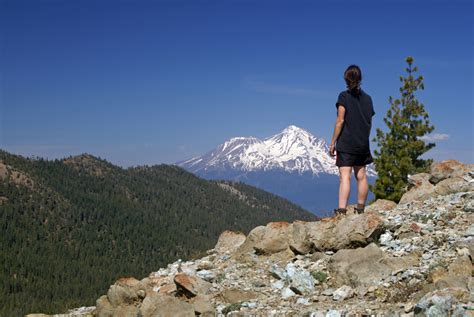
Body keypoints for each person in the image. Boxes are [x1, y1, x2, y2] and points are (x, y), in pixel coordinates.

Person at [329, 65, 375, 216]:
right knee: (361, 176)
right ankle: (360, 209)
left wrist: (333, 142)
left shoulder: (344, 96)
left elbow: (340, 121)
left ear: (346, 79)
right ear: (360, 79)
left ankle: (342, 211)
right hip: (362, 143)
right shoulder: (368, 99)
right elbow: (368, 121)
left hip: (347, 142)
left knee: (345, 176)